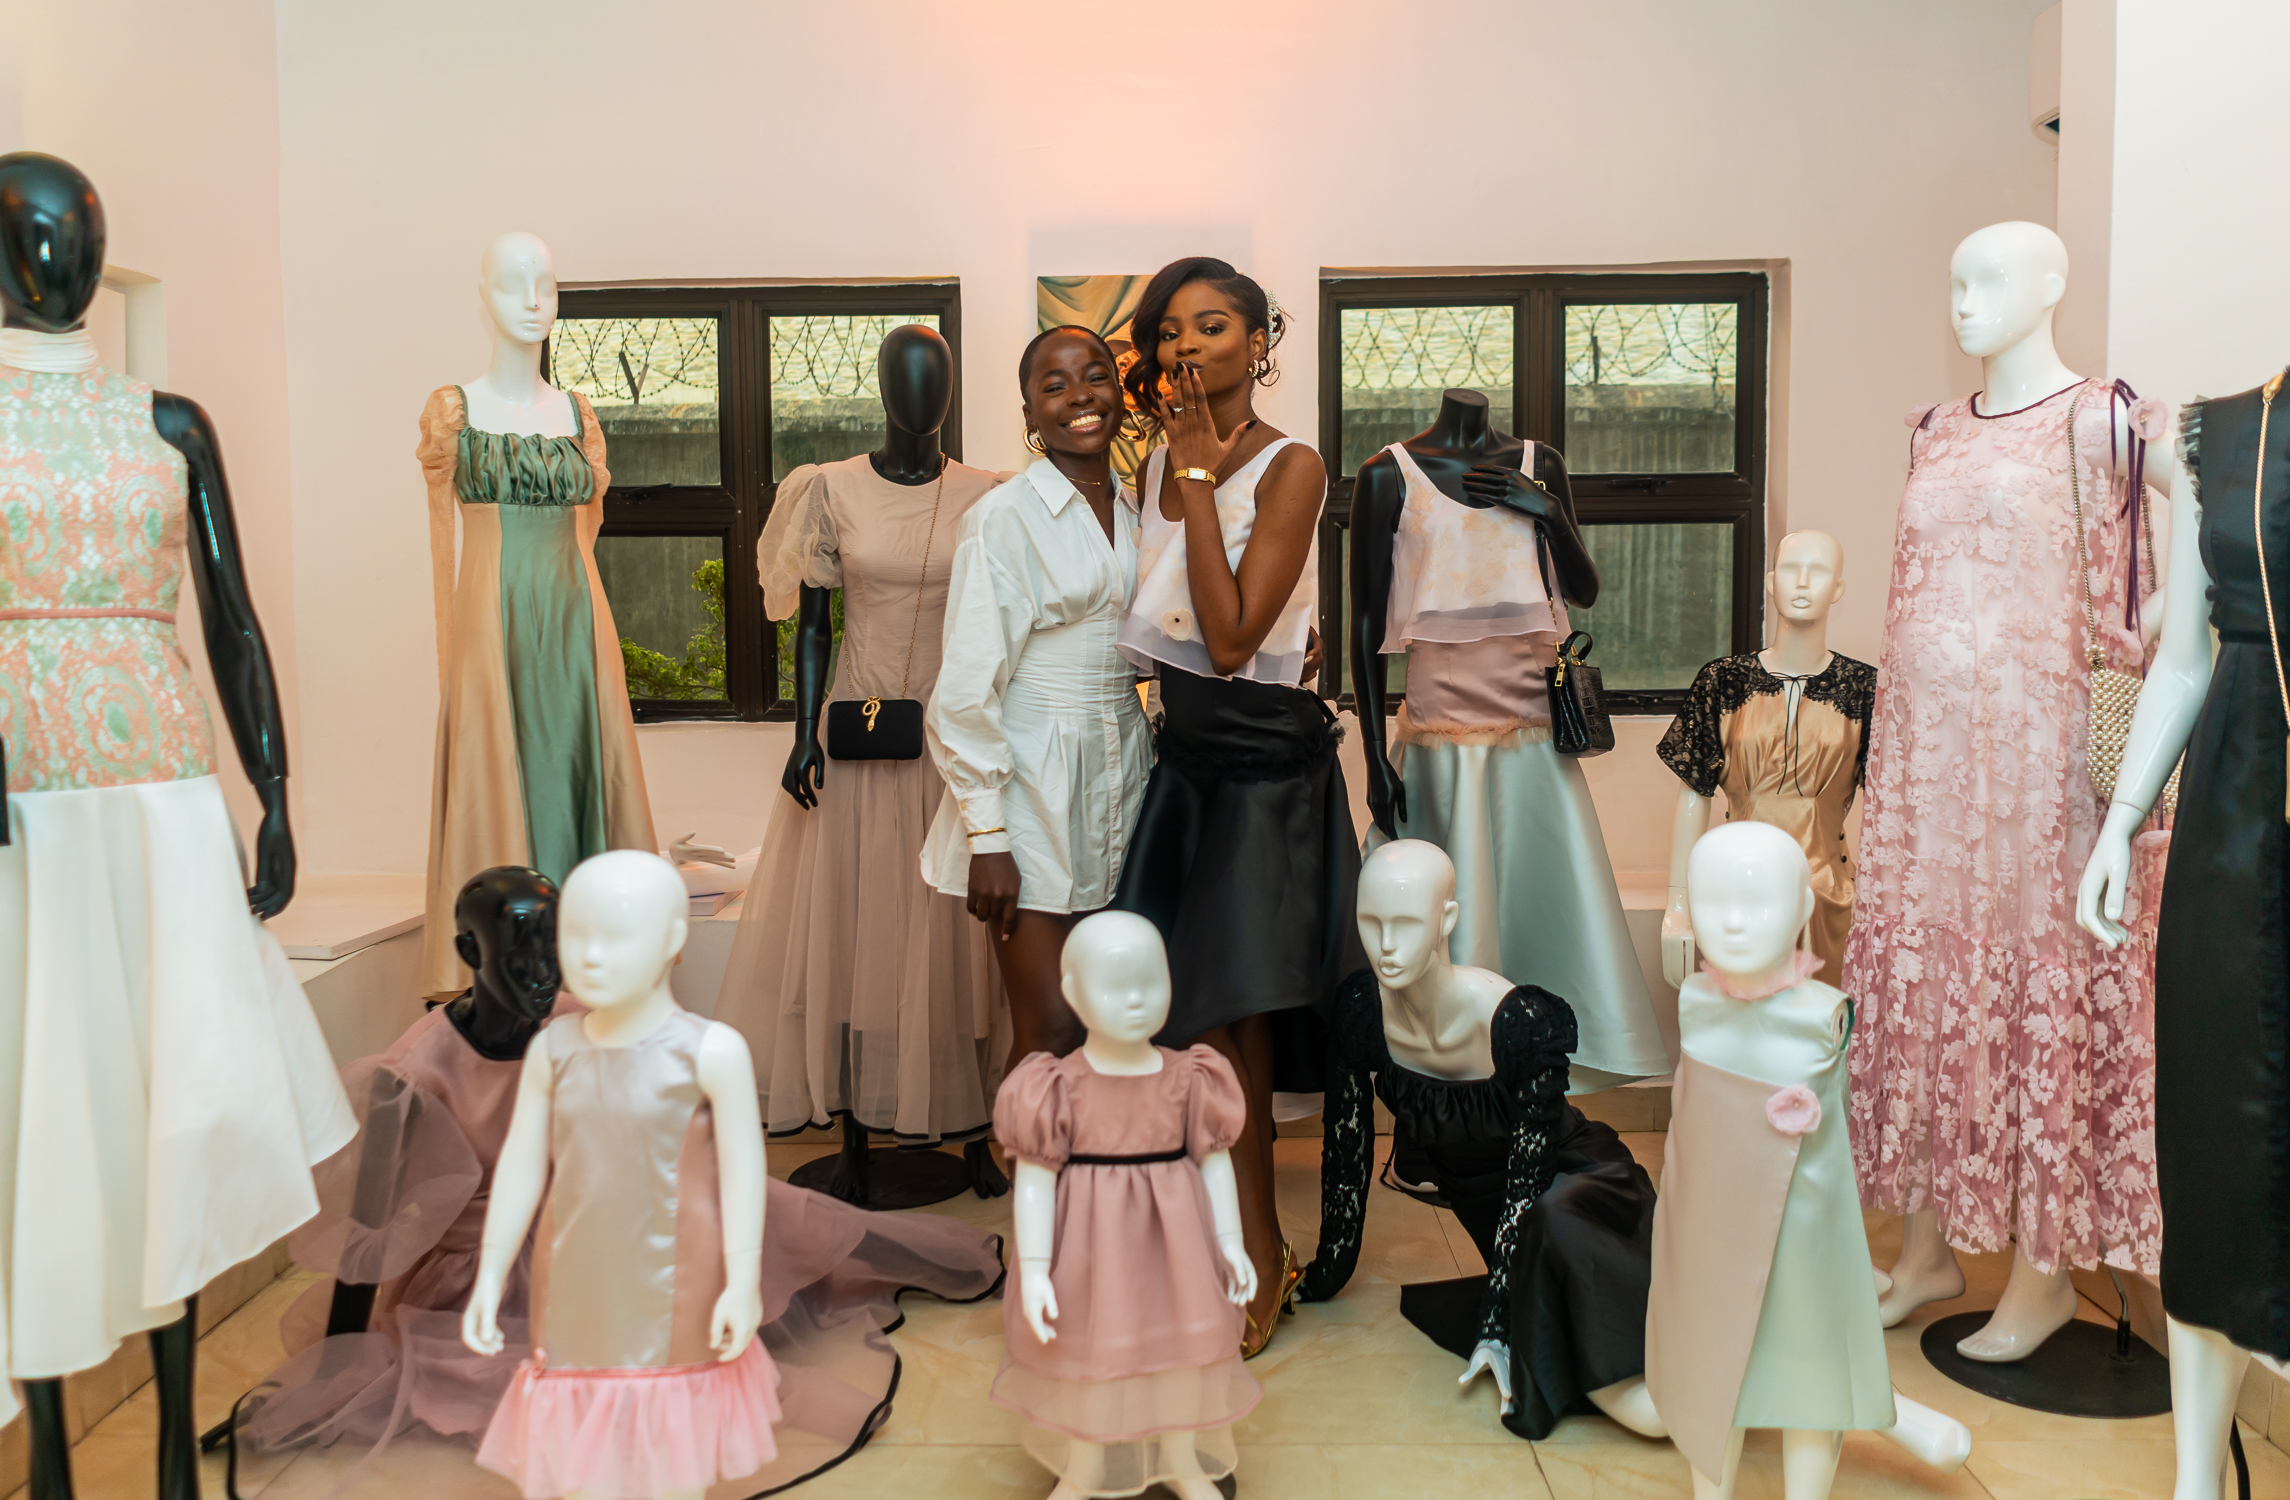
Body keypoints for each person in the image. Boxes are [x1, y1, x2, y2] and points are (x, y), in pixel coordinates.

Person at [1110, 256, 1362, 1355]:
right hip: (1186, 765)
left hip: (1265, 772)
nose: (1185, 347)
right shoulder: (1151, 468)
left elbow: (1228, 637)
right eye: (1170, 331)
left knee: (1237, 1018)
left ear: (1257, 344)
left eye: (1210, 326)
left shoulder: (1290, 465)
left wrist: (1204, 477)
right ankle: (1211, 1240)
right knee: (1191, 1023)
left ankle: (1261, 1255)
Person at [923, 324, 1152, 1067]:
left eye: (1095, 376)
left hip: (1125, 770)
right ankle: (1030, 1150)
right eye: (1055, 386)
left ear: (1120, 394)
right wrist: (988, 838)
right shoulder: (1004, 517)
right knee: (1050, 1027)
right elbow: (966, 688)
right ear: (1029, 413)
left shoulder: (1140, 512)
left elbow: (1160, 637)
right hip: (1030, 784)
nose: (1080, 396)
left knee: (1109, 1026)